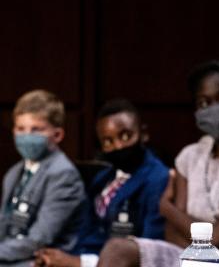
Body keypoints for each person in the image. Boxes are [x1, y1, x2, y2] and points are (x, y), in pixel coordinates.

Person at [98, 60, 219, 266]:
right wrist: (192, 241)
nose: (215, 108)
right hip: (187, 254)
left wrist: (166, 207)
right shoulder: (190, 156)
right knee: (118, 249)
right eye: (204, 103)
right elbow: (171, 232)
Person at [34, 99, 169, 267]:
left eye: (125, 136)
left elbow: (149, 250)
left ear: (143, 133)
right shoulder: (103, 178)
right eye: (108, 141)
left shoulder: (158, 178)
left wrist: (77, 263)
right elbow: (85, 232)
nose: (118, 146)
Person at [0, 90, 85, 267]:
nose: (26, 136)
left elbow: (39, 240)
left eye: (36, 129)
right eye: (20, 129)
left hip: (43, 261)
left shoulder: (63, 175)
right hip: (11, 256)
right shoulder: (14, 172)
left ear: (57, 135)